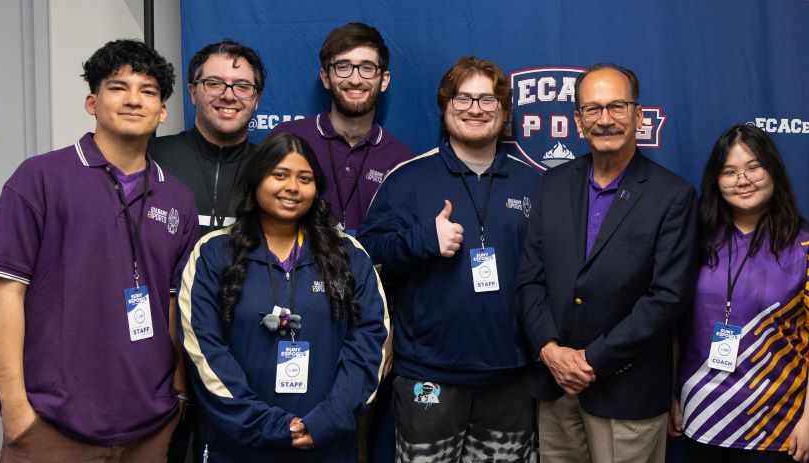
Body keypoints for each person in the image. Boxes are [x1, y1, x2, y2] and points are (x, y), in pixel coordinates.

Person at [0, 39, 198, 461]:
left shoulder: (178, 198)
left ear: (163, 111)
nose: (134, 100)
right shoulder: (39, 178)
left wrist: (178, 393)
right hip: (51, 423)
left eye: (148, 91)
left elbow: (175, 305)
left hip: (149, 426)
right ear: (91, 102)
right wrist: (15, 409)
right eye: (118, 87)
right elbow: (7, 294)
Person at [358, 56, 541, 462]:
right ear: (445, 106)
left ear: (505, 111)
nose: (475, 108)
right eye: (463, 98)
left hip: (510, 376)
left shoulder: (536, 183)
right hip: (429, 376)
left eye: (488, 99)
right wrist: (420, 239)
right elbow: (365, 257)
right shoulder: (408, 179)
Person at [517, 63, 698, 463]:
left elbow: (666, 299)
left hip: (626, 393)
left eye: (617, 107)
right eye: (592, 109)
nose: (605, 120)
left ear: (638, 114)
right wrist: (549, 350)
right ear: (578, 121)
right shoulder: (553, 183)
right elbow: (530, 279)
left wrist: (591, 360)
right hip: (556, 387)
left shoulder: (673, 196)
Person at [177, 132, 389, 462]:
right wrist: (269, 425)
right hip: (240, 445)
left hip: (327, 443)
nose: (292, 187)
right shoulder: (214, 254)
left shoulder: (348, 254)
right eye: (279, 175)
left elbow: (370, 344)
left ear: (316, 187)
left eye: (304, 178)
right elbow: (205, 353)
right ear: (256, 179)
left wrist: (328, 420)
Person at [670, 125, 809, 463]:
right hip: (700, 416)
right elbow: (672, 324)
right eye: (729, 172)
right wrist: (668, 395)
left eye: (753, 168)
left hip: (777, 427)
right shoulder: (693, 241)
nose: (742, 180)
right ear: (715, 180)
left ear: (773, 170)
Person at [271, 22, 414, 235]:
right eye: (343, 67)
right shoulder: (290, 138)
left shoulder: (401, 160)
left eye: (367, 68)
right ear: (326, 77)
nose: (355, 80)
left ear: (383, 80)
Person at [152, 39, 266, 236]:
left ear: (257, 99)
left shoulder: (271, 168)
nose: (229, 96)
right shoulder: (151, 157)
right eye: (214, 83)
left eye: (242, 86)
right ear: (192, 92)